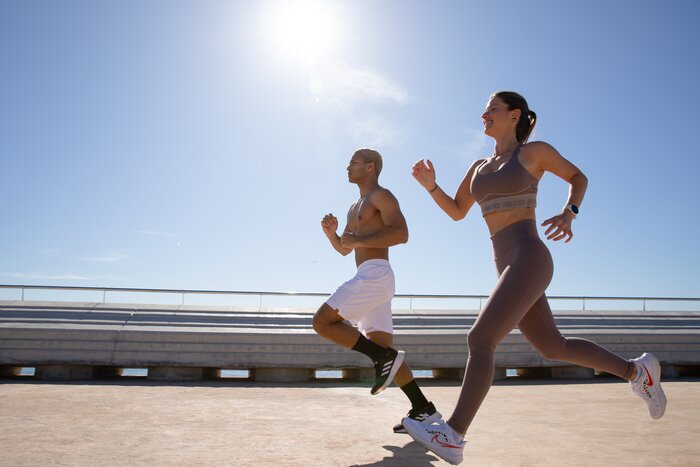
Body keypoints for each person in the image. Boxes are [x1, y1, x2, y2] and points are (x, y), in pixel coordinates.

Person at [404, 91, 667, 465]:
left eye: (491, 109)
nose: (484, 114)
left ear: (514, 115)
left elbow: (578, 177)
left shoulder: (532, 153)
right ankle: (637, 371)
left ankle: (454, 434)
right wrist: (430, 186)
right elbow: (457, 211)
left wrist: (569, 212)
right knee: (552, 346)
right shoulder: (478, 167)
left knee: (480, 338)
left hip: (529, 256)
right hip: (506, 264)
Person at [313, 148, 443, 433]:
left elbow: (401, 234)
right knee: (386, 350)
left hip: (376, 275)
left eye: (354, 162)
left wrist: (358, 240)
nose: (348, 167)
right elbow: (345, 249)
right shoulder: (353, 206)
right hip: (368, 276)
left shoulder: (382, 196)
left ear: (370, 167)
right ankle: (423, 408)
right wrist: (332, 236)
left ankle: (381, 359)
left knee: (322, 321)